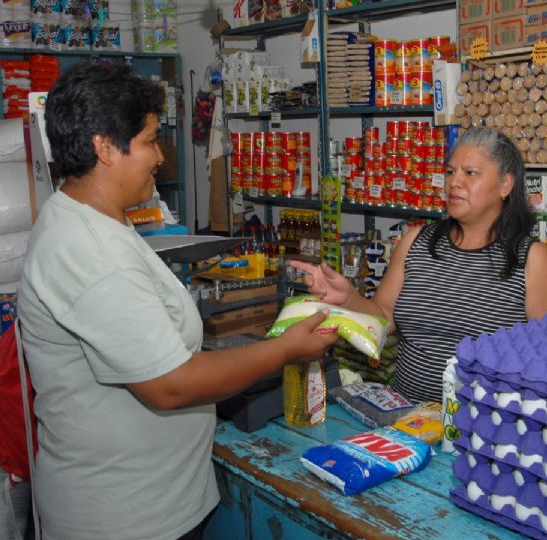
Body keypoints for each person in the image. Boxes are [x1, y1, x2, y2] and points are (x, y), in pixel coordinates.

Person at [17, 63, 337, 540]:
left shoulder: (101, 223)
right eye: (148, 141)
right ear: (104, 147)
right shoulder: (89, 251)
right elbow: (169, 385)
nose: (160, 158)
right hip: (124, 518)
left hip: (156, 501)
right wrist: (285, 349)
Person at [293, 127, 547, 404]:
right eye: (450, 172)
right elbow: (384, 316)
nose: (454, 183)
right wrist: (348, 297)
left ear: (505, 185)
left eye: (470, 173)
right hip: (406, 418)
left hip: (480, 430)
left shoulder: (532, 260)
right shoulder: (417, 241)